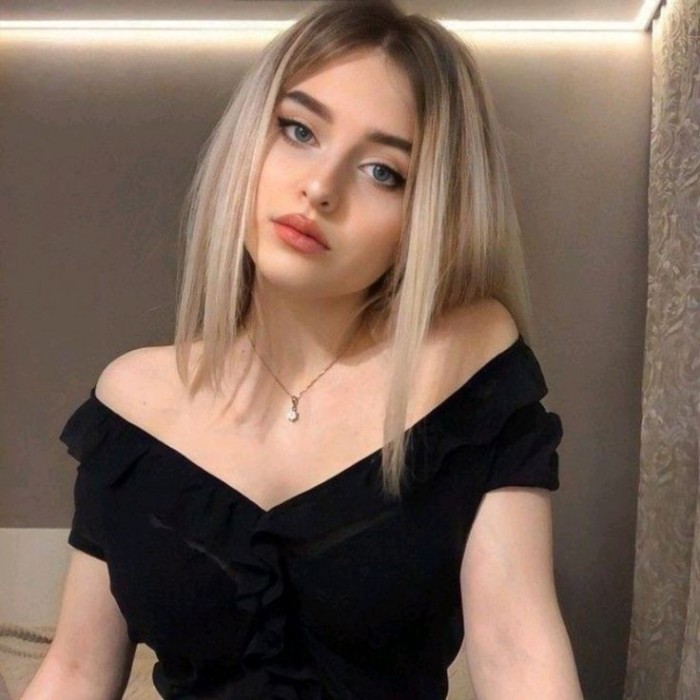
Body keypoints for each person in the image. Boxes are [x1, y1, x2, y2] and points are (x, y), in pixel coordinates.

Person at [23, 0, 584, 698]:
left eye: (383, 172)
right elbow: (77, 668)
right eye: (298, 131)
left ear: (428, 218)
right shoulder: (131, 404)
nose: (319, 188)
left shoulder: (466, 370)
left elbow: (519, 654)